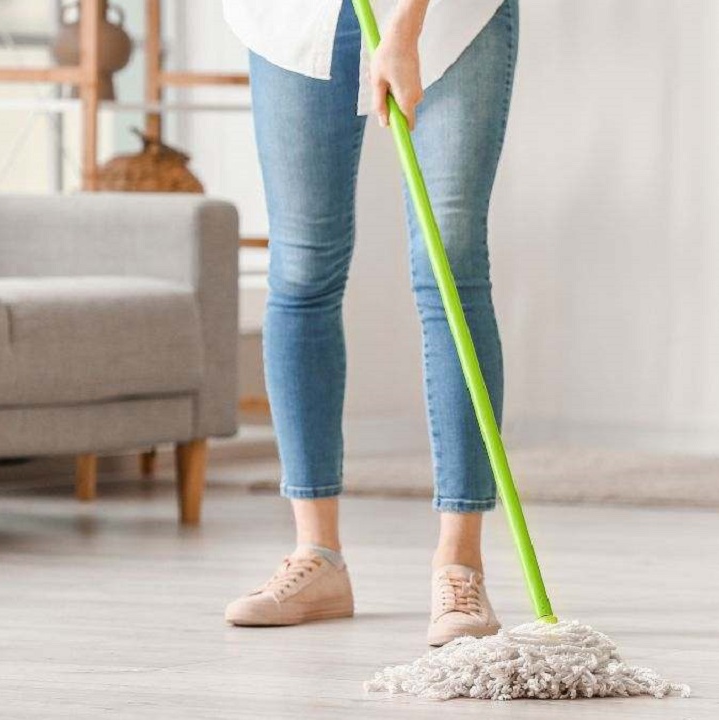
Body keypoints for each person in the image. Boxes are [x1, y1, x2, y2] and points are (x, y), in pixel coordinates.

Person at [220, 0, 518, 646]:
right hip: (296, 18)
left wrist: (405, 27)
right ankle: (317, 557)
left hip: (446, 18)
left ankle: (459, 562)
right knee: (299, 272)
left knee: (449, 260)